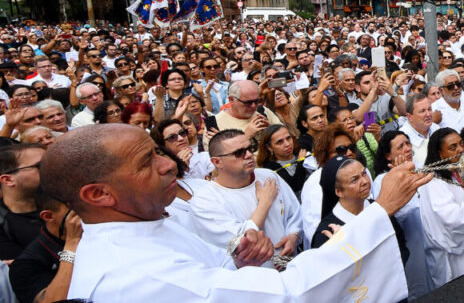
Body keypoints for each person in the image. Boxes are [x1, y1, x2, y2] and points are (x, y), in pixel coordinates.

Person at [39, 123, 429, 302]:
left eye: (159, 151)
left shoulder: (149, 223)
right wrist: (381, 210)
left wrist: (237, 265)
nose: (169, 164)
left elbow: (214, 276)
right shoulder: (138, 276)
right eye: (147, 162)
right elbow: (287, 295)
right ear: (98, 194)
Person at [190, 129, 303, 268]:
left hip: (290, 265)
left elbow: (294, 213)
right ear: (217, 162)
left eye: (250, 148)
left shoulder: (268, 176)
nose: (249, 155)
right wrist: (265, 203)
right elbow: (237, 243)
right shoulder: (205, 200)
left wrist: (294, 236)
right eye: (239, 153)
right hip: (251, 279)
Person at [418, 128, 464, 290]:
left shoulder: (461, 171)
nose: (461, 149)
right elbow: (453, 217)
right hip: (453, 254)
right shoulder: (433, 182)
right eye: (453, 147)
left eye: (461, 144)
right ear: (440, 154)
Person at [372, 131, 430, 299]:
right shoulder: (383, 180)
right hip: (412, 240)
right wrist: (400, 175)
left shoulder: (421, 166)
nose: (407, 149)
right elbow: (396, 212)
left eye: (408, 143)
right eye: (401, 146)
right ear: (388, 156)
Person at [8, 185, 82, 303]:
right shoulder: (27, 265)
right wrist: (72, 244)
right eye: (75, 208)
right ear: (48, 216)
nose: (86, 212)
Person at [0, 144, 46, 261]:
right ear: (8, 179)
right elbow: (29, 269)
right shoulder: (3, 224)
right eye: (41, 166)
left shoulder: (66, 198)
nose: (52, 168)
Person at [209, 80, 283, 147]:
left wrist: (270, 129)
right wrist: (246, 136)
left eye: (257, 101)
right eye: (248, 102)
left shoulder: (263, 111)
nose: (254, 106)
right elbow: (216, 158)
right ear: (231, 99)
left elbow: (286, 137)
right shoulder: (215, 124)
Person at [257, 124, 310, 197]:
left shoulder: (302, 151)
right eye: (279, 142)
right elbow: (295, 187)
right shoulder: (271, 168)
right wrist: (301, 162)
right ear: (269, 147)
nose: (287, 144)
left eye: (288, 138)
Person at [400, 93, 438, 166]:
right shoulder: (402, 138)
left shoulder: (437, 129)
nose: (428, 114)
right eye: (422, 111)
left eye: (429, 109)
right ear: (409, 116)